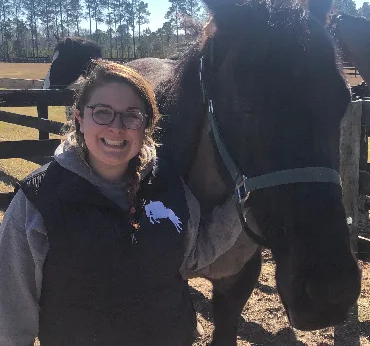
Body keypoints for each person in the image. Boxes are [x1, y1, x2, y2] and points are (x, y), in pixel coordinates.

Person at [0, 60, 242, 346]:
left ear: (146, 125)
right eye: (102, 113)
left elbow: (193, 254)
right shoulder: (40, 198)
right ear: (79, 119)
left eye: (131, 116)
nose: (116, 127)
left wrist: (244, 201)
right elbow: (12, 314)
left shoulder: (169, 185)